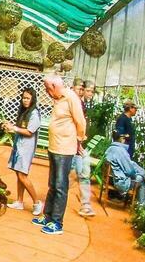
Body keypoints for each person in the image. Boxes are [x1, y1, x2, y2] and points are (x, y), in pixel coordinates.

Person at [37, 74, 85, 236]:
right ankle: (48, 216)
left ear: (55, 86)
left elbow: (81, 122)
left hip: (65, 150)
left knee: (60, 186)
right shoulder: (58, 99)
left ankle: (57, 222)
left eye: (48, 89)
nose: (47, 93)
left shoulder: (71, 98)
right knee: (52, 183)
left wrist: (78, 140)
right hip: (54, 148)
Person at [6, 87, 43, 215]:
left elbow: (29, 131)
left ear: (33, 99)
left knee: (22, 175)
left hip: (26, 148)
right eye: (23, 98)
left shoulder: (34, 114)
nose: (25, 100)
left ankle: (37, 202)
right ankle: (19, 201)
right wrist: (11, 128)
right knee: (18, 174)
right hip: (19, 146)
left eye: (28, 98)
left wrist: (14, 128)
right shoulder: (25, 112)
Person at [69, 80, 95, 218]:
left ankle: (86, 206)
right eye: (87, 90)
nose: (88, 92)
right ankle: (53, 198)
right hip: (73, 146)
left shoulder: (82, 105)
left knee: (83, 174)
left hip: (79, 147)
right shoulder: (74, 103)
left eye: (91, 91)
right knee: (73, 176)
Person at [103, 132, 145, 206]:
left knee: (134, 165)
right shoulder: (121, 151)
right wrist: (136, 174)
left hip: (110, 178)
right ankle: (142, 205)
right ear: (120, 139)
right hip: (120, 183)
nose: (125, 140)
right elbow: (130, 171)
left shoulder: (110, 148)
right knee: (142, 180)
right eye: (124, 138)